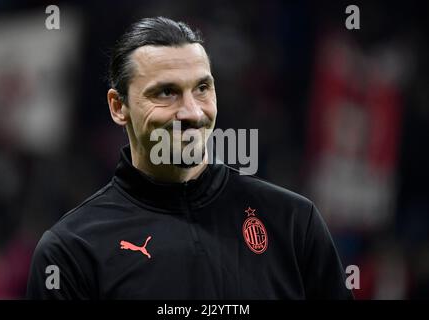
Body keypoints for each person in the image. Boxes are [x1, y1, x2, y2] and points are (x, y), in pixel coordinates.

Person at [26, 17, 353, 299]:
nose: (192, 112)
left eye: (201, 88)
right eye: (166, 92)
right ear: (118, 106)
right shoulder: (72, 250)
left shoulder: (293, 223)